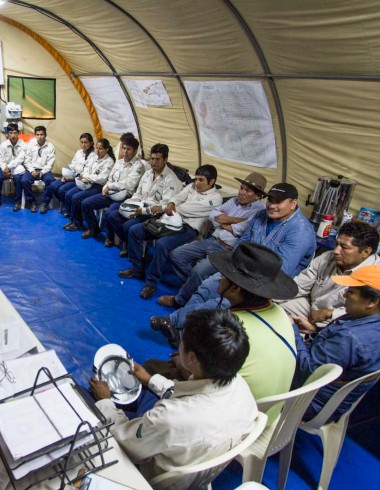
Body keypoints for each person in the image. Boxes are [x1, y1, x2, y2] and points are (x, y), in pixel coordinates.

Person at [90, 308, 258, 484]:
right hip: (198, 464)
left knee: (91, 410)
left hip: (150, 478)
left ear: (192, 358)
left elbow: (123, 441)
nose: (180, 345)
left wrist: (105, 402)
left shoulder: (169, 418)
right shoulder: (240, 386)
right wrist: (150, 379)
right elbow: (193, 391)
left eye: (182, 342)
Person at [150, 242, 299, 426]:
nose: (219, 278)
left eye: (223, 276)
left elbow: (198, 377)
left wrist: (182, 362)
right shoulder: (280, 313)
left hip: (237, 418)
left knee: (153, 369)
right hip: (270, 413)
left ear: (235, 289)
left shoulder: (230, 328)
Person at [152, 182, 316, 329]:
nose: (272, 205)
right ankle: (186, 326)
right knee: (208, 285)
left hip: (266, 286)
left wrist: (239, 280)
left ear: (293, 204)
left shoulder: (300, 231)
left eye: (278, 202)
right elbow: (242, 243)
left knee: (220, 302)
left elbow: (281, 271)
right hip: (242, 269)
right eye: (270, 200)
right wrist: (231, 271)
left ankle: (174, 322)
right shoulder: (261, 216)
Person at [158, 171, 267, 308]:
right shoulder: (233, 201)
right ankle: (195, 287)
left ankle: (180, 300)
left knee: (199, 271)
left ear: (258, 196)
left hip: (227, 249)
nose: (241, 192)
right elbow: (213, 216)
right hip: (213, 240)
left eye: (247, 190)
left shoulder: (260, 212)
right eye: (241, 188)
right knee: (176, 255)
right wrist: (235, 220)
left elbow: (240, 229)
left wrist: (225, 221)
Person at [119, 164, 223, 299]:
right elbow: (178, 197)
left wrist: (166, 207)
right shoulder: (191, 187)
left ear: (212, 181)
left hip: (189, 228)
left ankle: (151, 282)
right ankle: (137, 268)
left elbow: (187, 209)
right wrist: (171, 203)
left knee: (163, 244)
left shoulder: (215, 198)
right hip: (170, 220)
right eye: (196, 179)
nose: (197, 183)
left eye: (201, 180)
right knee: (134, 230)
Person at [292, 265, 380, 421]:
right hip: (327, 397)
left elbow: (306, 370)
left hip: (308, 400)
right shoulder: (363, 320)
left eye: (351, 292)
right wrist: (313, 332)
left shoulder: (351, 338)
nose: (345, 295)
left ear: (372, 302)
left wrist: (292, 331)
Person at [277, 221, 380, 331]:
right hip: (310, 307)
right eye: (336, 244)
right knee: (273, 307)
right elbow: (300, 286)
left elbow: (364, 314)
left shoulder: (374, 275)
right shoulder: (327, 257)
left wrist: (331, 314)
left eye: (344, 247)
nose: (336, 251)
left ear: (366, 252)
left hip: (341, 322)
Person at [104, 143, 182, 254]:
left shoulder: (171, 180)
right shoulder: (147, 174)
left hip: (155, 214)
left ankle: (134, 253)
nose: (154, 162)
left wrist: (143, 211)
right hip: (140, 207)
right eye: (152, 159)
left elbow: (165, 206)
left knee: (128, 226)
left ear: (165, 160)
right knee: (112, 216)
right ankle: (129, 243)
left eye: (157, 159)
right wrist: (127, 204)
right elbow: (138, 194)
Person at [81, 135, 145, 239]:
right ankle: (94, 228)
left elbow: (129, 184)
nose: (125, 151)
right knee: (85, 203)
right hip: (110, 193)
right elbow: (110, 178)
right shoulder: (118, 162)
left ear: (135, 150)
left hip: (124, 197)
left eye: (128, 149)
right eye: (124, 148)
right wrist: (105, 187)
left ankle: (110, 237)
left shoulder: (138, 166)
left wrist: (110, 186)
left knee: (110, 213)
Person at [63, 138, 115, 232]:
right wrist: (85, 177)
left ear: (107, 149)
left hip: (98, 186)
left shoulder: (109, 162)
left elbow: (102, 178)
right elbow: (85, 170)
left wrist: (88, 177)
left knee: (76, 198)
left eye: (101, 149)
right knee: (68, 194)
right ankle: (74, 219)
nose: (98, 151)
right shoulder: (94, 157)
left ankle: (81, 224)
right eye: (97, 148)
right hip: (86, 183)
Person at [41, 133, 95, 214]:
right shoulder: (79, 152)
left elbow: (84, 173)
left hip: (80, 180)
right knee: (53, 185)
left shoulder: (93, 156)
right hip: (71, 176)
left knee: (62, 189)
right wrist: (65, 175)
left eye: (86, 142)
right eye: (82, 142)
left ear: (91, 143)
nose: (83, 145)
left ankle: (68, 208)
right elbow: (72, 166)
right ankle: (52, 203)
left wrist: (71, 177)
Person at [21, 126, 55, 213]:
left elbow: (50, 163)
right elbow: (27, 160)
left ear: (45, 135)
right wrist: (32, 171)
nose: (39, 137)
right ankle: (32, 202)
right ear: (35, 135)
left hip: (44, 169)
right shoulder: (30, 145)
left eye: (42, 134)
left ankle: (44, 203)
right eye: (37, 135)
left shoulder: (50, 146)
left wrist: (42, 172)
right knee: (24, 181)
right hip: (32, 169)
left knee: (51, 181)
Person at [0, 124, 27, 210]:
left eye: (15, 133)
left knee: (18, 178)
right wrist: (5, 170)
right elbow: (1, 159)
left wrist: (8, 167)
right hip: (4, 168)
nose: (13, 135)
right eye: (10, 133)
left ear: (18, 133)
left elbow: (20, 159)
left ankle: (17, 202)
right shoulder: (3, 145)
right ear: (7, 134)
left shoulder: (23, 145)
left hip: (18, 167)